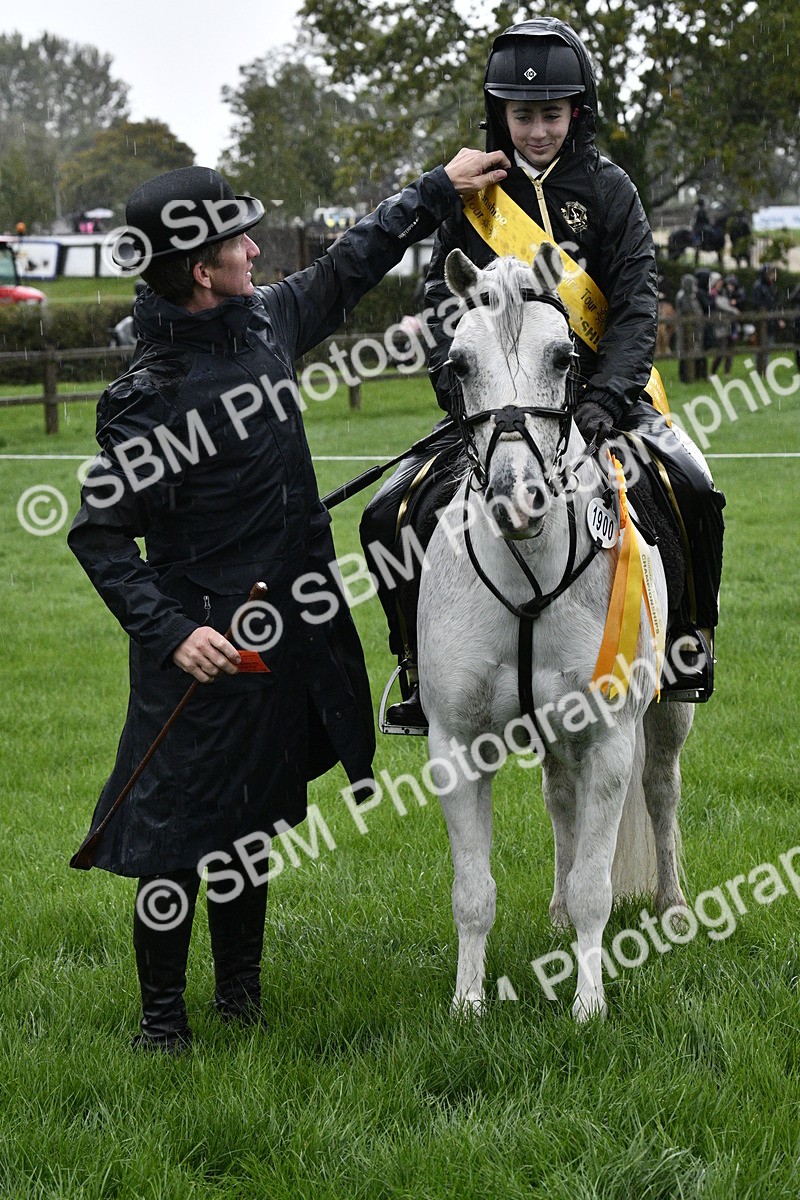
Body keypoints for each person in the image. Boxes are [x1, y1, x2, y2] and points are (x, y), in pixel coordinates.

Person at [68, 153, 507, 1053]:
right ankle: (162, 1028)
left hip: (283, 639)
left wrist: (435, 189)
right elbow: (100, 536)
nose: (257, 248)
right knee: (172, 839)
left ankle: (241, 1002)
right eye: (240, 240)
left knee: (251, 825)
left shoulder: (264, 324)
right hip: (197, 653)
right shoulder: (145, 401)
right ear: (201, 269)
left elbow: (349, 266)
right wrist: (175, 631)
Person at [360, 16, 726, 730]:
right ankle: (416, 670)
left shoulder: (611, 190)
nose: (535, 131)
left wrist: (607, 397)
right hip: (495, 412)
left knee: (693, 487)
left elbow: (636, 299)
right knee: (385, 515)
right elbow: (441, 304)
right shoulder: (472, 194)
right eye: (521, 115)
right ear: (500, 113)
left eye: (550, 115)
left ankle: (684, 639)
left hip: (603, 404)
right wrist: (460, 390)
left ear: (575, 112)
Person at [750, 262, 784, 375]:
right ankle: (760, 369)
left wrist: (777, 318)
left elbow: (774, 304)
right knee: (761, 345)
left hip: (771, 320)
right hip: (762, 321)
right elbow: (757, 304)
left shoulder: (771, 286)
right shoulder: (758, 286)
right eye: (770, 273)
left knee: (769, 345)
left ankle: (765, 368)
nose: (773, 275)